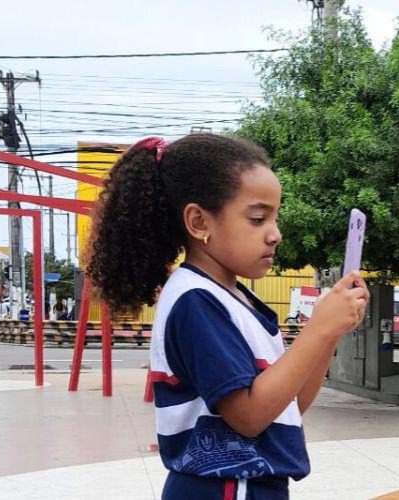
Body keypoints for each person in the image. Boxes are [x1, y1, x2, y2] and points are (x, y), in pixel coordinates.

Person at [86, 134, 369, 499]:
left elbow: (289, 404)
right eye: (257, 218)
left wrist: (330, 332)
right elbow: (248, 417)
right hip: (223, 490)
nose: (275, 235)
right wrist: (316, 329)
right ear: (199, 222)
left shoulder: (235, 300)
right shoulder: (196, 301)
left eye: (275, 218)